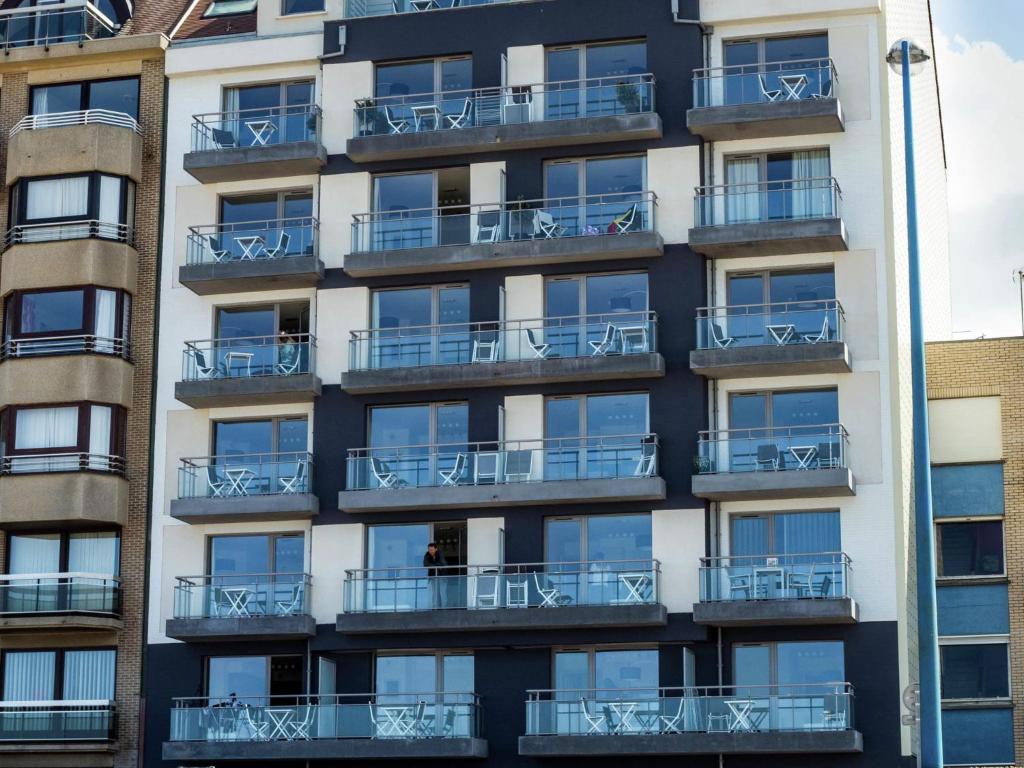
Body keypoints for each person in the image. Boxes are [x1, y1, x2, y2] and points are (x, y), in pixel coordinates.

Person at [423, 542, 448, 608]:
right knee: (434, 592)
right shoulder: (427, 554)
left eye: (432, 550)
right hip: (433, 576)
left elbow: (443, 564)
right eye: (429, 550)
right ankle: (434, 607)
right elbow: (425, 564)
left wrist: (433, 565)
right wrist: (436, 566)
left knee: (442, 592)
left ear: (436, 549)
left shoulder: (440, 553)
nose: (430, 551)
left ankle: (444, 608)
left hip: (442, 576)